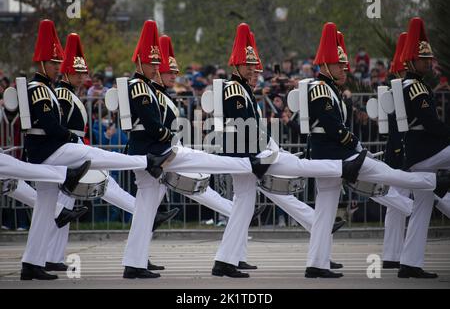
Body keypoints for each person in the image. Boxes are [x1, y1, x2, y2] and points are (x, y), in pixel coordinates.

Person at [211, 23, 366, 278]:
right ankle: (342, 168)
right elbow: (240, 129)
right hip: (246, 157)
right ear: (235, 65)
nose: (253, 70)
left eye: (254, 66)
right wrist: (258, 156)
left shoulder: (244, 91)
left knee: (244, 206)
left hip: (251, 156)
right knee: (298, 166)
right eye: (248, 65)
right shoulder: (234, 90)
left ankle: (225, 261)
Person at [121, 20, 273, 279]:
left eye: (159, 64)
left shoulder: (150, 89)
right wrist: (173, 136)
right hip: (155, 152)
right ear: (139, 62)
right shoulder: (139, 87)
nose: (158, 68)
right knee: (209, 161)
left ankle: (135, 262)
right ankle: (249, 164)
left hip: (159, 151)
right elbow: (151, 124)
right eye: (153, 64)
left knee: (146, 208)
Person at [304, 22, 449, 278]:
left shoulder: (330, 90)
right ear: (325, 65)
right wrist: (357, 146)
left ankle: (316, 264)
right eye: (339, 65)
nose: (344, 69)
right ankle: (432, 181)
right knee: (393, 177)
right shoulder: (321, 90)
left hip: (335, 159)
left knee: (325, 212)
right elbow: (333, 128)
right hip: (342, 158)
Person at [20, 19, 163, 281]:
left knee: (46, 208)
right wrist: (67, 137)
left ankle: (32, 263)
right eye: (53, 64)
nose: (57, 68)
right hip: (48, 151)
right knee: (92, 155)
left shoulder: (49, 90)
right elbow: (52, 125)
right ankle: (144, 162)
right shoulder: (38, 89)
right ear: (41, 63)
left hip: (51, 150)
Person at [396, 17, 450, 278]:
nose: (429, 63)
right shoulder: (416, 87)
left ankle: (409, 263)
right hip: (423, 152)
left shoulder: (410, 84)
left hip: (416, 153)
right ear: (412, 61)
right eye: (424, 59)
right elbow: (431, 123)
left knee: (422, 206)